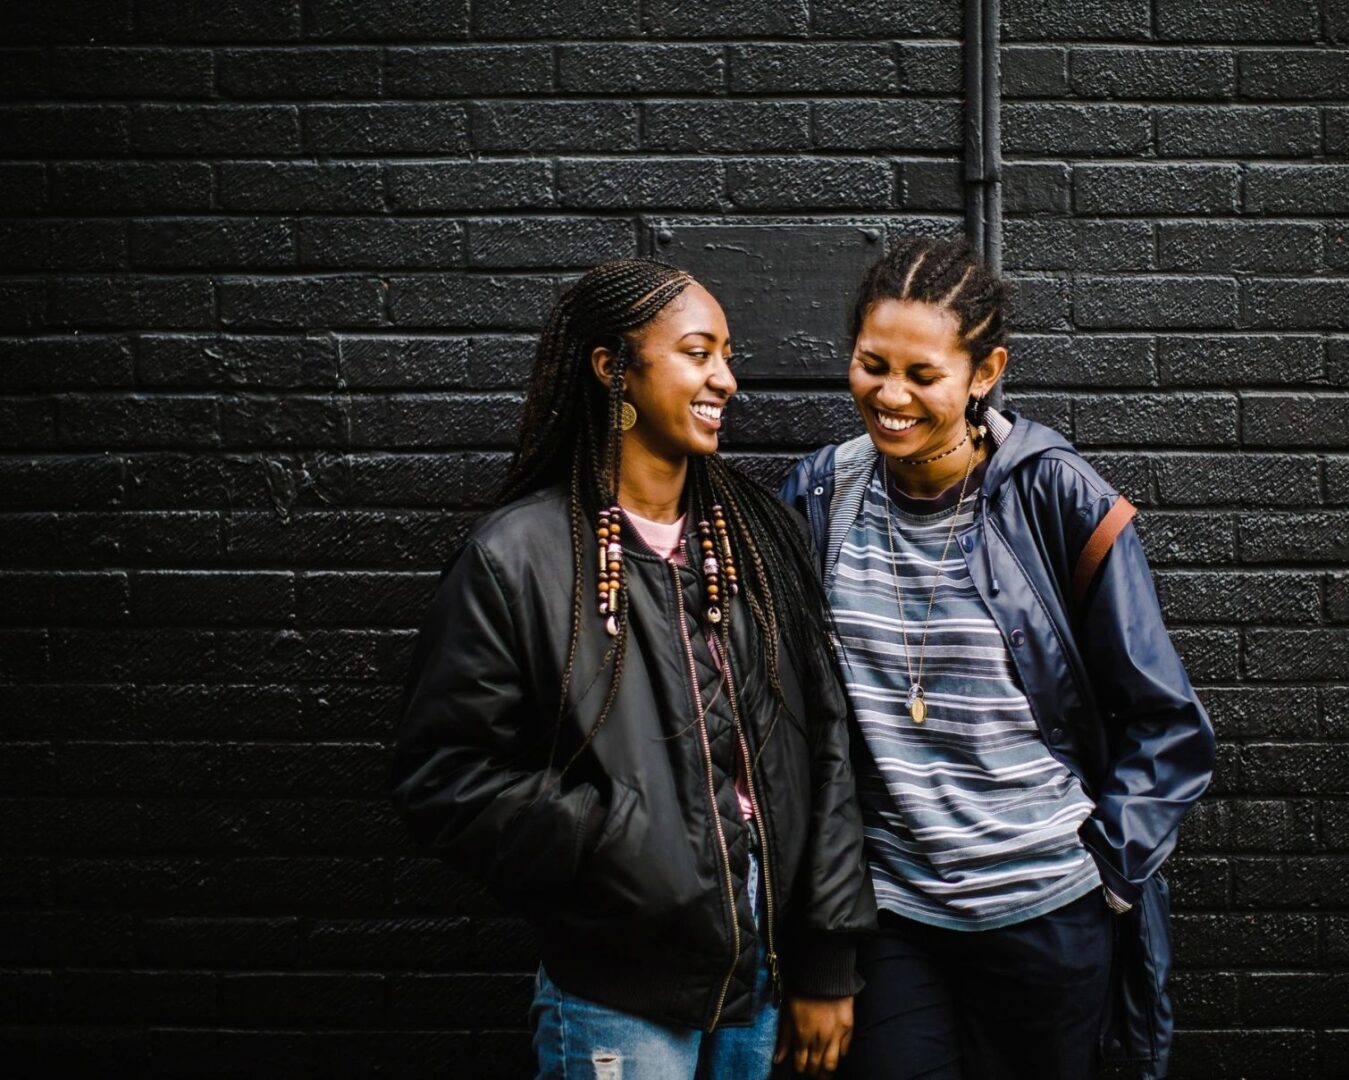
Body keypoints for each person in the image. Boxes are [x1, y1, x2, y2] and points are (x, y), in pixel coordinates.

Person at [391, 258, 877, 1080]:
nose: (724, 378)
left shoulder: (761, 541)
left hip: (764, 981)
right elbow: (445, 778)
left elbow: (825, 749)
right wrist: (617, 837)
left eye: (728, 355)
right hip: (617, 989)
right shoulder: (520, 559)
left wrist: (827, 957)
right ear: (613, 368)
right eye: (697, 352)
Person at [779, 237, 1216, 1080]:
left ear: (984, 373)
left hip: (1047, 911)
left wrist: (1107, 876)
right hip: (895, 913)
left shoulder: (1056, 497)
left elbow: (1166, 723)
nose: (890, 395)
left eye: (922, 374)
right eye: (873, 365)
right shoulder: (820, 497)